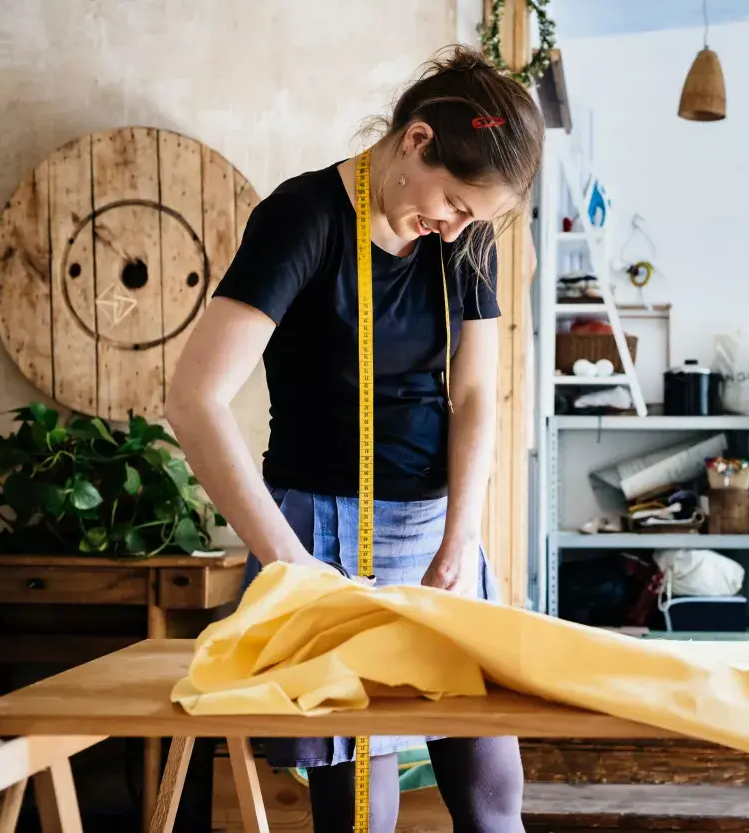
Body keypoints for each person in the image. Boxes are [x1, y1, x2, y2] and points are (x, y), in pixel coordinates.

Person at [165, 45, 544, 833]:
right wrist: (290, 563)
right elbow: (195, 399)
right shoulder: (303, 219)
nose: (454, 226)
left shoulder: (465, 240)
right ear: (416, 140)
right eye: (452, 202)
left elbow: (476, 393)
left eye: (472, 217)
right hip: (321, 535)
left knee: (491, 795)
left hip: (439, 529)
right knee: (360, 811)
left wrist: (461, 536)